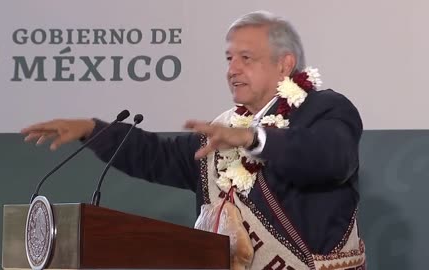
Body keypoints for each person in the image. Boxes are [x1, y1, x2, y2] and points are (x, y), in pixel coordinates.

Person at [22, 11, 366, 270]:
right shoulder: (224, 129)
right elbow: (156, 156)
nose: (232, 69)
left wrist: (251, 138)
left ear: (284, 64)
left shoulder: (324, 108)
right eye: (229, 58)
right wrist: (91, 129)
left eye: (246, 58)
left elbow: (331, 159)